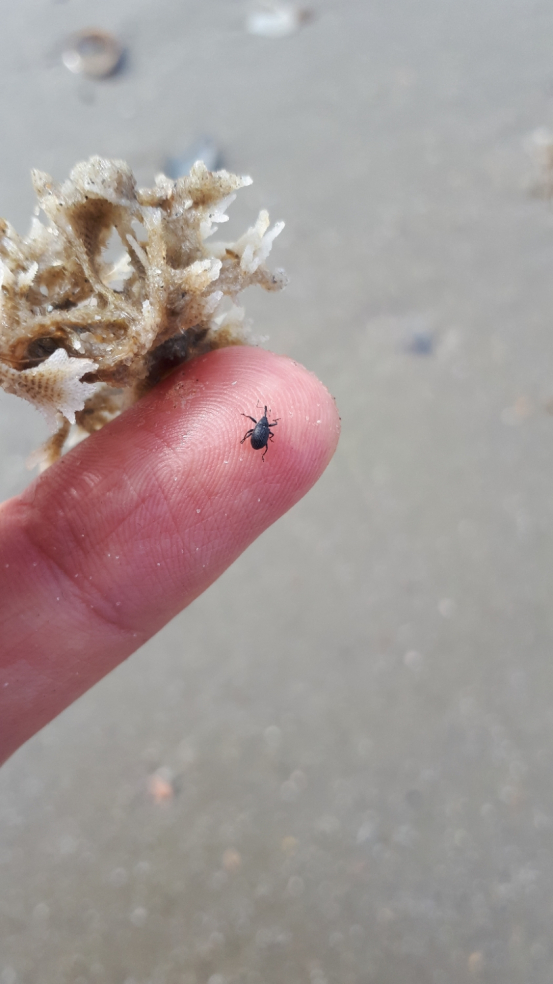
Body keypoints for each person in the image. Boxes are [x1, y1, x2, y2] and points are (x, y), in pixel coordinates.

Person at [0, 346, 340, 765]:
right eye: (263, 424)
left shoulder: (261, 430)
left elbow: (260, 437)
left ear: (264, 427)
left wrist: (257, 436)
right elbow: (259, 439)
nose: (263, 426)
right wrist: (257, 438)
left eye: (264, 425)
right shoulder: (260, 431)